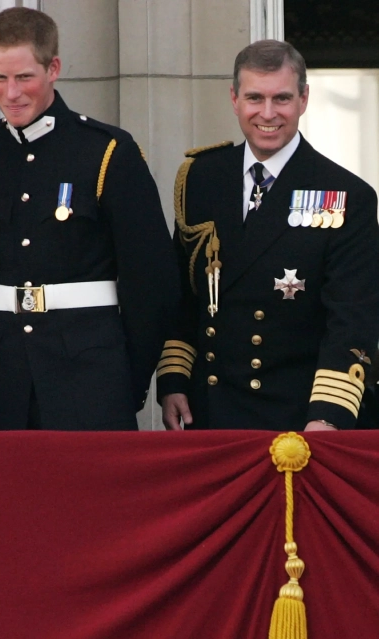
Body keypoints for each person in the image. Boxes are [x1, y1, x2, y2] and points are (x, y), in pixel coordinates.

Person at [0, 8, 179, 431]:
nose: (11, 93)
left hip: (90, 379)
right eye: (0, 78)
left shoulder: (106, 151)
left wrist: (124, 380)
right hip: (4, 380)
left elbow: (151, 283)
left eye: (25, 77)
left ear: (53, 68)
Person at [157, 40, 379, 431]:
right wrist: (174, 379)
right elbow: (183, 297)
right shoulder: (200, 179)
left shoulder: (346, 195)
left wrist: (328, 416)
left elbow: (352, 319)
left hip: (297, 418)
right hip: (209, 410)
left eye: (282, 98)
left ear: (304, 99)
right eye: (255, 98)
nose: (268, 113)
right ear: (234, 98)